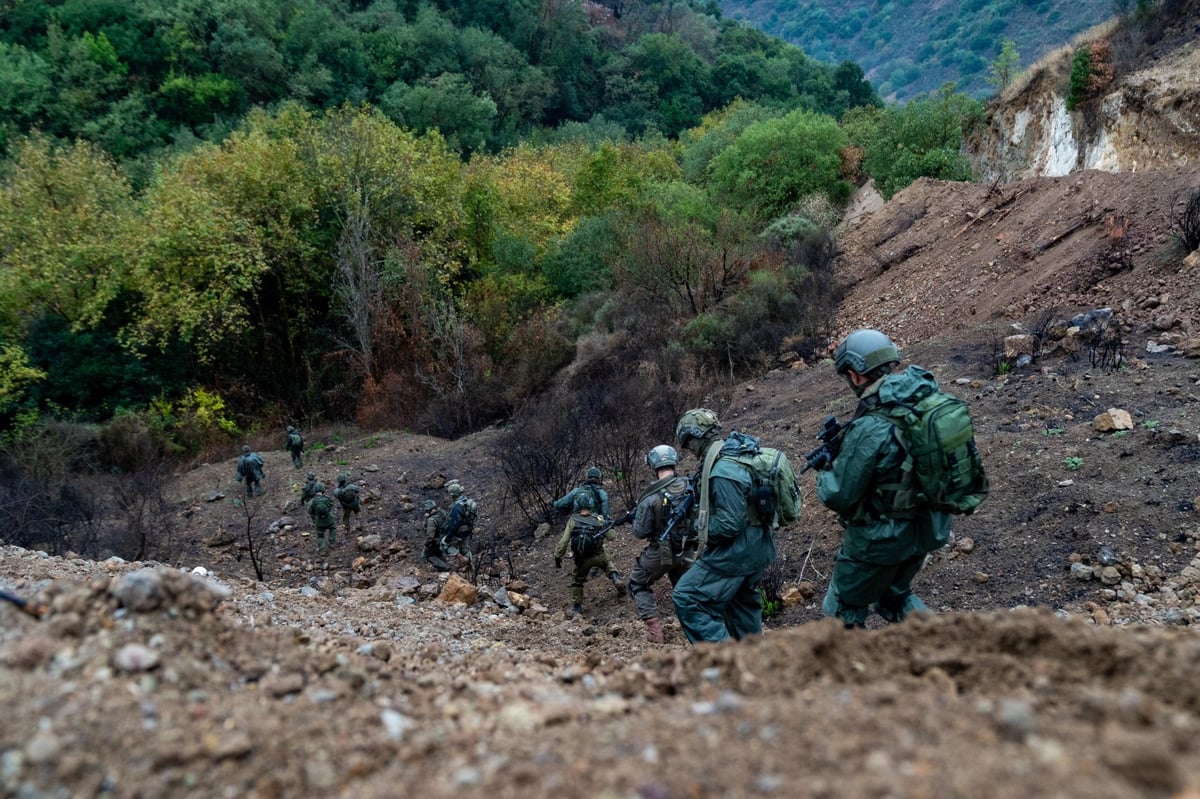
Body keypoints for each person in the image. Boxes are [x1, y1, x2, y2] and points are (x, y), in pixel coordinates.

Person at [816, 328, 960, 628]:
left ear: (856, 374)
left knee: (841, 607)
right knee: (893, 597)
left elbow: (839, 494)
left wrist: (826, 471)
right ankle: (945, 648)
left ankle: (857, 672)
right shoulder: (925, 403)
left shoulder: (871, 426)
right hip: (928, 527)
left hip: (881, 540)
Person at [670, 408, 776, 644]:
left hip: (737, 550)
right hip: (757, 545)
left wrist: (695, 527)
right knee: (740, 609)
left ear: (696, 438)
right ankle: (756, 669)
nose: (690, 450)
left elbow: (730, 524)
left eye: (689, 444)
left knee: (687, 597)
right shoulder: (733, 456)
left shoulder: (721, 471)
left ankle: (725, 663)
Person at [627, 444, 697, 644]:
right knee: (684, 589)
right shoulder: (691, 486)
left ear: (653, 464)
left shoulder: (651, 497)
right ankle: (694, 631)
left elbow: (640, 533)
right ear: (674, 462)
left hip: (660, 553)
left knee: (637, 582)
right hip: (688, 550)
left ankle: (655, 631)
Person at [552, 491, 624, 616]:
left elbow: (564, 541)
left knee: (577, 581)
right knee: (607, 563)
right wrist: (607, 524)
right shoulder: (598, 518)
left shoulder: (573, 520)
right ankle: (615, 578)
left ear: (576, 505)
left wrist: (558, 556)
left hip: (582, 560)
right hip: (598, 555)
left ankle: (577, 607)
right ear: (591, 504)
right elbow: (612, 536)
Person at [441, 482, 478, 565]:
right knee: (464, 548)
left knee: (443, 544)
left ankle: (459, 557)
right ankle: (471, 566)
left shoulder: (457, 507)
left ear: (452, 495)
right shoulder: (466, 501)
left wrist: (448, 537)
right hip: (468, 529)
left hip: (459, 531)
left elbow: (455, 524)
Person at [306, 482, 337, 553]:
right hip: (328, 519)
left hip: (319, 521)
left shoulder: (312, 501)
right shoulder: (327, 499)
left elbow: (310, 511)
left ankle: (322, 550)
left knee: (320, 535)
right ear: (323, 490)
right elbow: (331, 506)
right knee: (333, 528)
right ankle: (332, 542)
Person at [421, 499, 451, 570]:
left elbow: (430, 536)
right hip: (445, 537)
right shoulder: (443, 512)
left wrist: (427, 544)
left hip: (436, 540)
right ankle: (446, 564)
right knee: (438, 553)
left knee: (426, 555)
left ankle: (444, 567)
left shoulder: (431, 520)